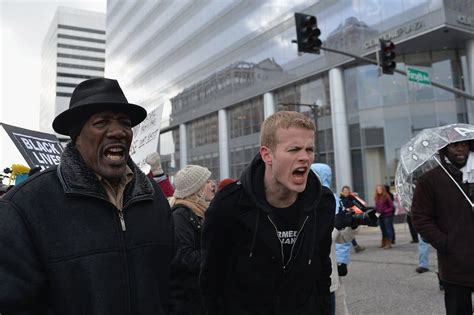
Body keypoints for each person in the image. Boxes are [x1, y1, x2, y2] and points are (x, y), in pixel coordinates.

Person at [0, 78, 175, 314]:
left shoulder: (154, 198)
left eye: (124, 123)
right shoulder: (26, 205)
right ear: (77, 136)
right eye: (101, 122)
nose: (118, 132)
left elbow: (177, 282)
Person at [200, 111, 335, 314]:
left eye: (310, 149)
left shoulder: (322, 203)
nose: (305, 158)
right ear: (267, 155)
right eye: (294, 149)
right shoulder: (228, 206)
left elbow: (322, 272)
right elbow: (211, 282)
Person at [412, 139, 474, 314]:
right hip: (455, 266)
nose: (461, 148)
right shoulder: (430, 180)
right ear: (445, 149)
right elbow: (420, 218)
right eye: (454, 145)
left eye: (465, 144)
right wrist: (446, 243)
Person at [169, 164, 212, 315]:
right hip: (187, 303)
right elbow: (186, 258)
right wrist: (217, 253)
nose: (212, 184)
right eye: (207, 182)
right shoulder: (180, 216)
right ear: (197, 189)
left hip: (198, 299)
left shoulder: (200, 212)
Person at [339, 185, 365, 253]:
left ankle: (355, 246)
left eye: (347, 191)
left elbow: (358, 205)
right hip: (344, 217)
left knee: (349, 233)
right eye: (344, 191)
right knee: (346, 233)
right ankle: (354, 246)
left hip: (351, 217)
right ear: (342, 192)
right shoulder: (340, 199)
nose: (346, 192)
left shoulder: (351, 198)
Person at [374, 184, 395, 249]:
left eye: (380, 189)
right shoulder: (376, 197)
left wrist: (385, 211)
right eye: (377, 189)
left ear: (382, 189)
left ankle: (389, 243)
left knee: (388, 229)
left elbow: (392, 207)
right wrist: (376, 213)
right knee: (383, 229)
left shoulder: (387, 196)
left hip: (387, 216)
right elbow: (377, 207)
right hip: (380, 216)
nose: (379, 190)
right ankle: (384, 242)